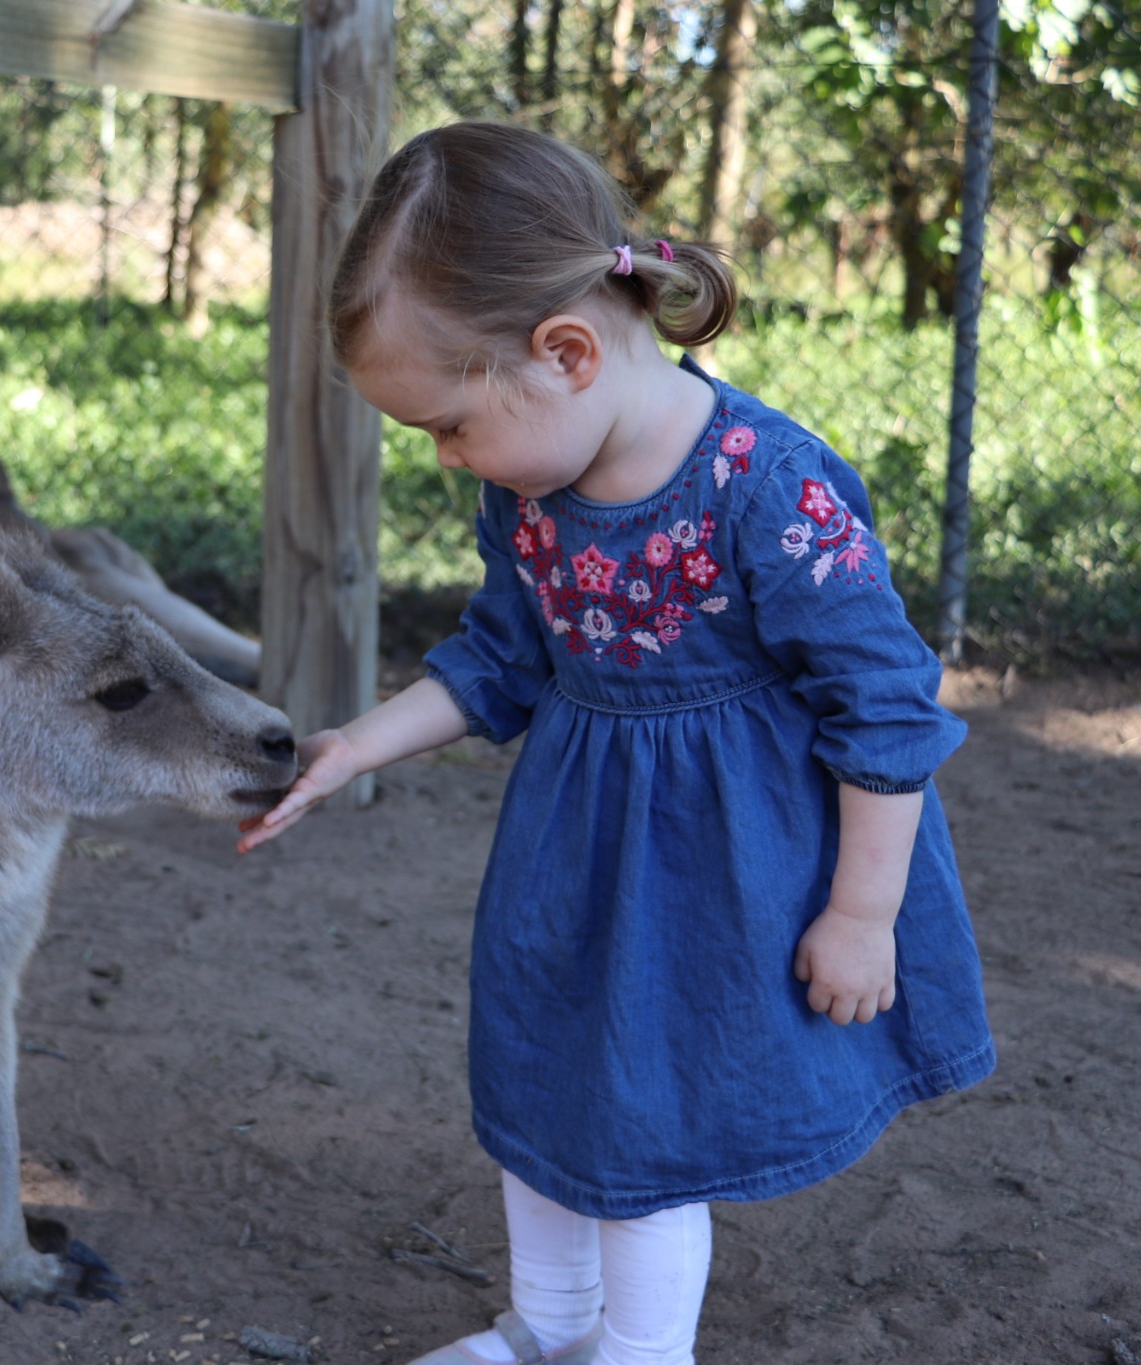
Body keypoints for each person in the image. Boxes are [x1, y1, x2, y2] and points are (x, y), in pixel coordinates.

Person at [236, 122, 994, 1365]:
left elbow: (887, 711)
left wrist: (862, 915)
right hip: (576, 859)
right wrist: (352, 748)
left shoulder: (769, 487)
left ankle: (640, 1355)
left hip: (730, 882)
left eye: (447, 426)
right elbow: (501, 658)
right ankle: (547, 1325)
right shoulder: (530, 486)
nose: (445, 459)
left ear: (566, 352)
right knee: (542, 1081)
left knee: (647, 1132)